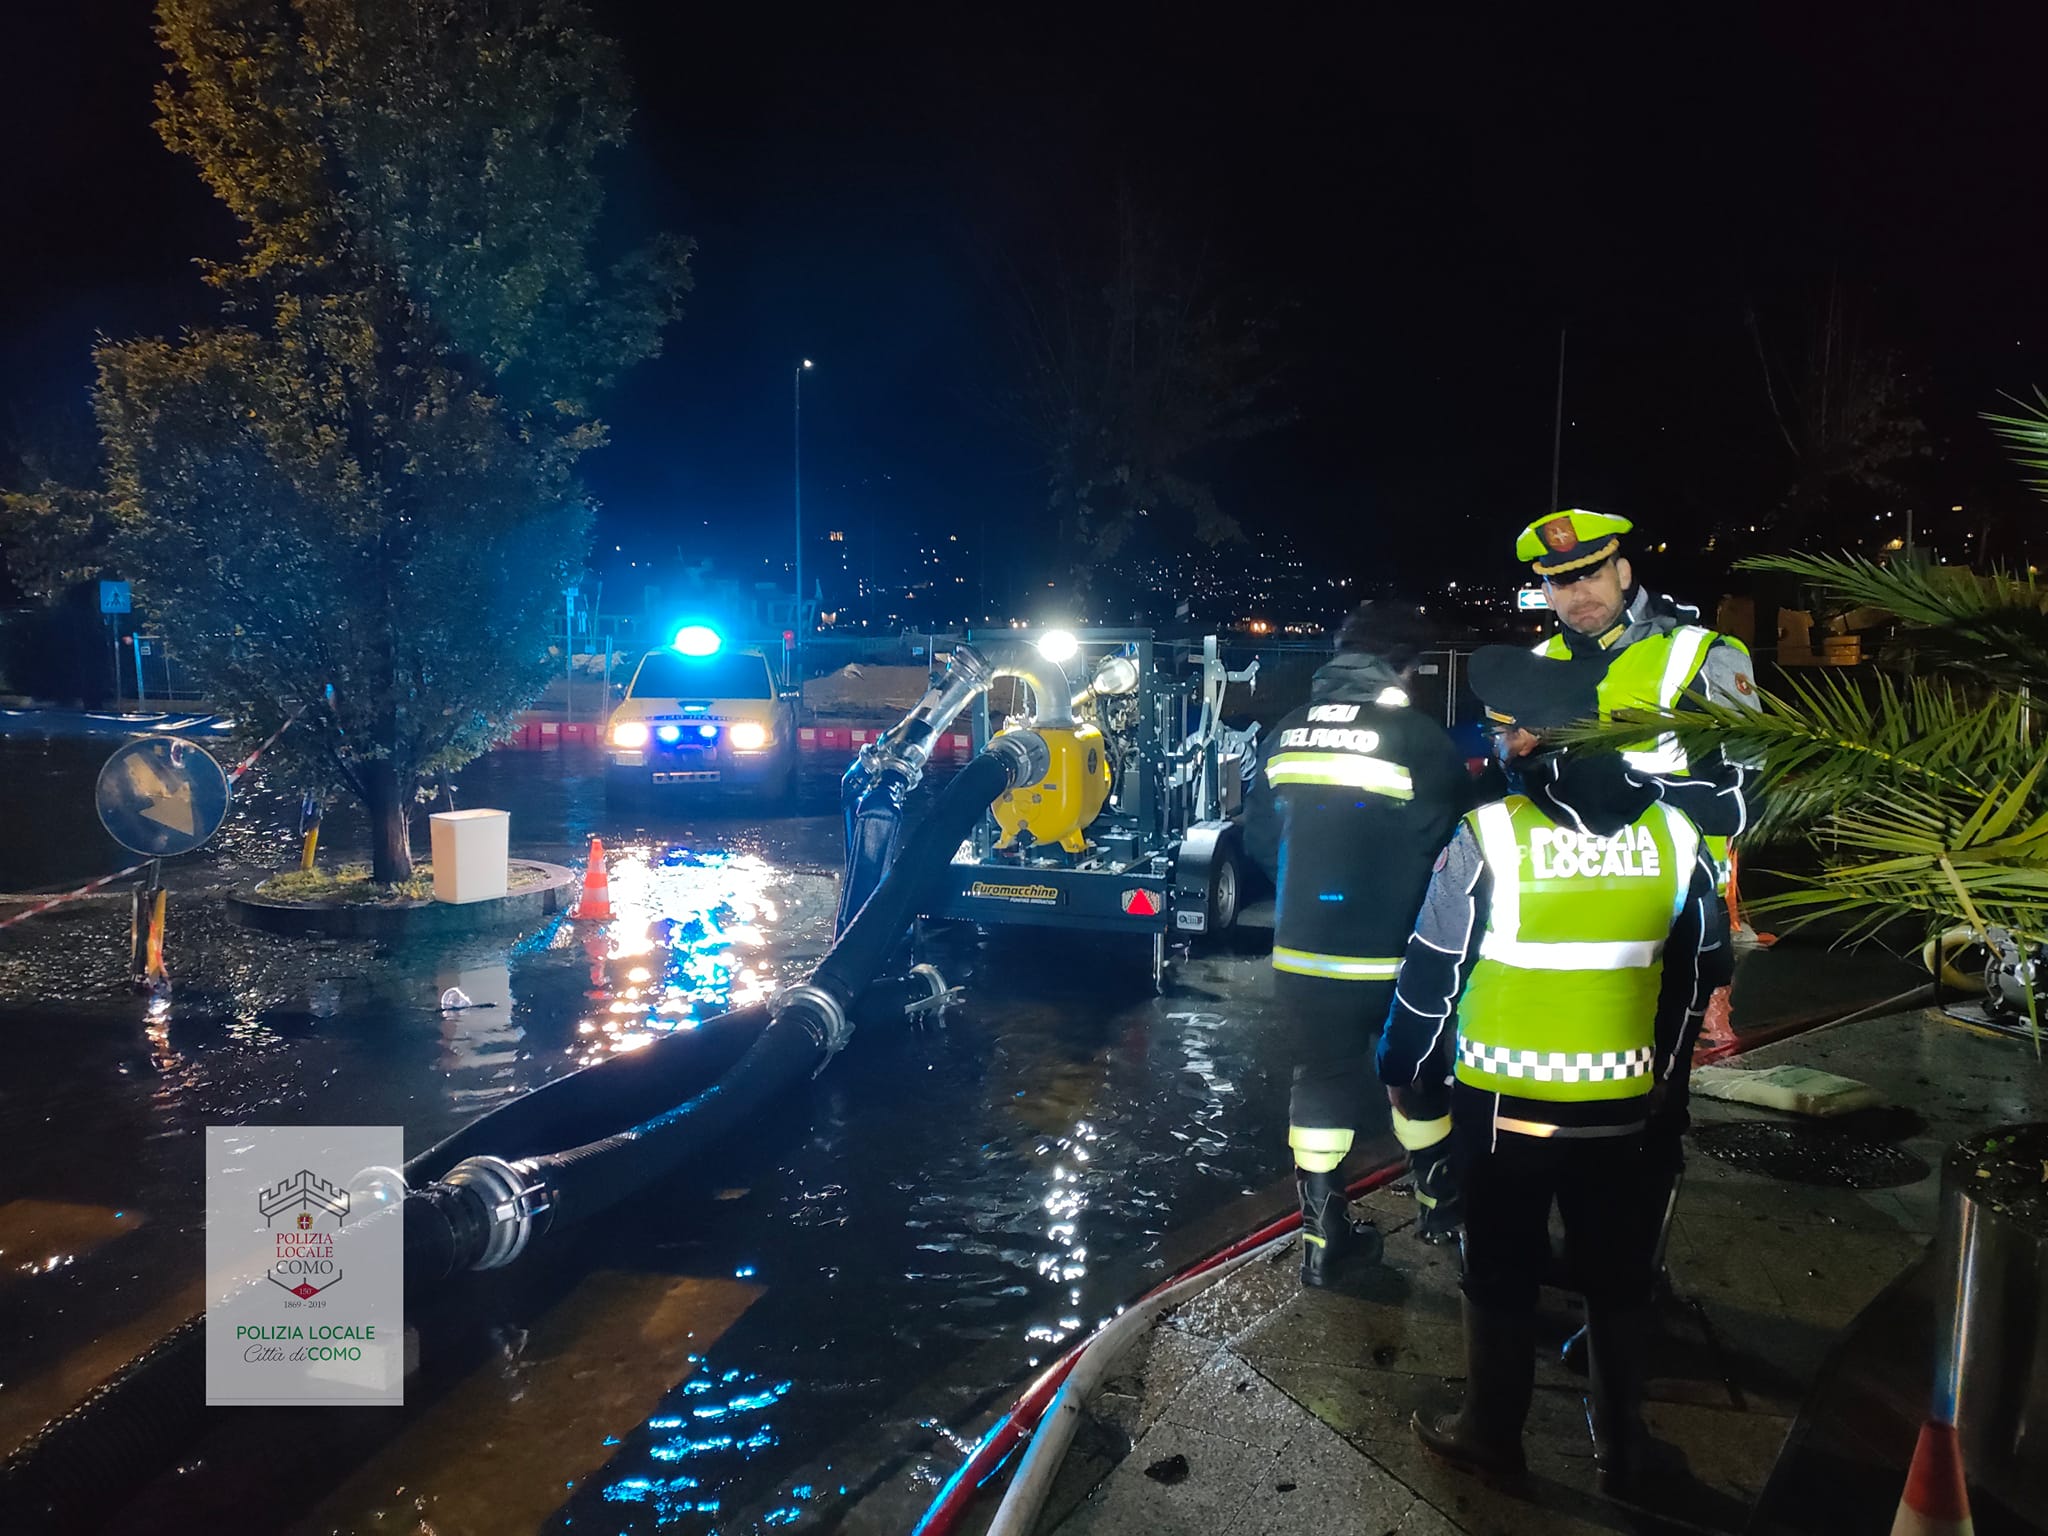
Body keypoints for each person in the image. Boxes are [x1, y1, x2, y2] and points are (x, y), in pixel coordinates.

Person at [1377, 645, 1729, 1492]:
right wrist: (1668, 1093)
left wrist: (1407, 1070)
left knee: (1497, 1267)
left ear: (1536, 741)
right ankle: (1624, 1447)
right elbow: (1700, 977)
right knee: (1618, 1275)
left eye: (1507, 729)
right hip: (1628, 1112)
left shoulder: (1491, 832)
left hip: (1506, 1110)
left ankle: (1490, 1435)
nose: (1500, 741)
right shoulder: (1678, 836)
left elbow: (1432, 975)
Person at [1240, 601, 1471, 1288]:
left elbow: (1257, 836)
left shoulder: (1284, 732)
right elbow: (1459, 846)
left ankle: (1322, 1242)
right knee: (1416, 1076)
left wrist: (1309, 896)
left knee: (1320, 1078)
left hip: (1303, 953)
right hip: (1395, 953)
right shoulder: (1415, 736)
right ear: (1404, 663)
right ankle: (1443, 1213)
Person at [1518, 508, 1760, 872]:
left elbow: (1747, 798)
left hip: (1681, 906)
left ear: (1623, 574)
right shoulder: (1533, 665)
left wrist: (1637, 786)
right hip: (1554, 906)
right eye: (1563, 583)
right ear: (1548, 595)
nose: (1579, 595)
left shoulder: (1706, 654)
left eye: (1592, 576)